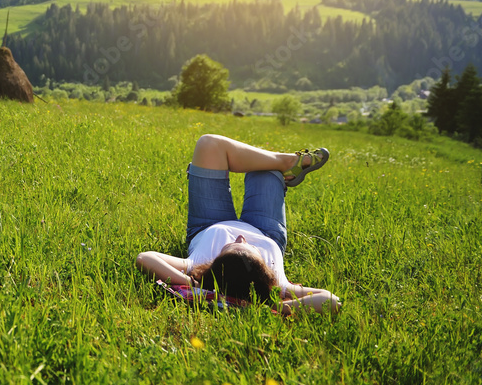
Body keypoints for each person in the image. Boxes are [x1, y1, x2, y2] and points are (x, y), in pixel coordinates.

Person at [135, 134, 341, 314]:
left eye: (231, 245)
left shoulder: (198, 267)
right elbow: (330, 300)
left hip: (208, 223)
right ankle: (285, 165)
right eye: (248, 246)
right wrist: (277, 307)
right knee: (264, 171)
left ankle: (287, 163)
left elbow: (145, 258)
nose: (240, 237)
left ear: (214, 264)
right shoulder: (277, 286)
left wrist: (192, 283)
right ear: (263, 270)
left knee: (209, 143)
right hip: (266, 230)